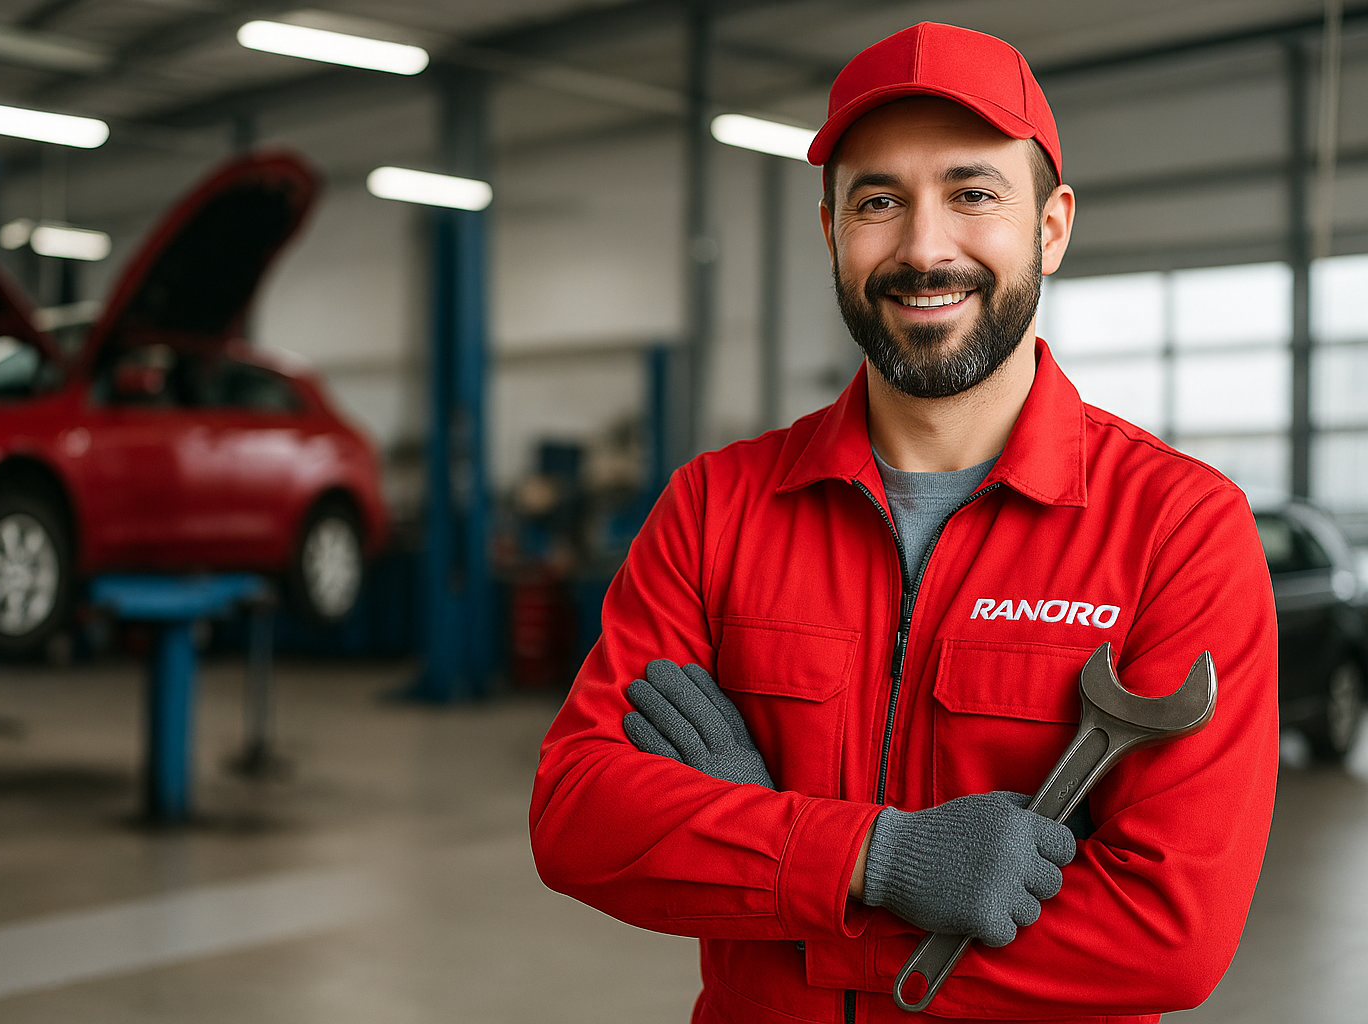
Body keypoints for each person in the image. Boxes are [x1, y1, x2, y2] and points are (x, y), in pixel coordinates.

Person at [529, 21, 1277, 1024]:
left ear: (1051, 226)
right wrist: (877, 856)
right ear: (832, 229)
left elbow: (1165, 938)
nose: (925, 248)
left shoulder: (1177, 527)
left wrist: (779, 865)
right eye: (879, 200)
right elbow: (577, 815)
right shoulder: (715, 508)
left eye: (973, 194)